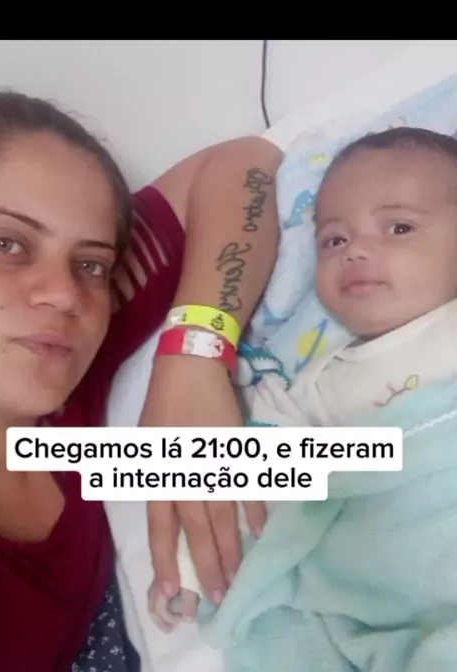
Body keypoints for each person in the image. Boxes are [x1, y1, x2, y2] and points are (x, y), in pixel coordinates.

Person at [0, 88, 283, 672]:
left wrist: (195, 353)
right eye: (5, 244)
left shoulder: (65, 371)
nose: (65, 295)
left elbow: (244, 162)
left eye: (90, 263)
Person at [150, 126, 457, 629]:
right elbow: (247, 478)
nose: (354, 251)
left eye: (399, 228)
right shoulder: (316, 385)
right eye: (334, 239)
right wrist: (187, 570)